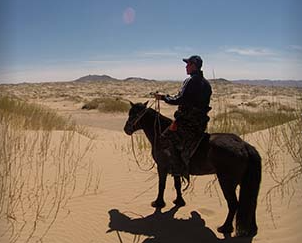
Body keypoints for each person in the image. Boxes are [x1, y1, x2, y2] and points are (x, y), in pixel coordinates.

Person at [155, 55, 212, 181]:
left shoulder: (191, 80)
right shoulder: (207, 84)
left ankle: (178, 168)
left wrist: (163, 97)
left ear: (194, 66)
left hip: (187, 122)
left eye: (188, 64)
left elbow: (180, 99)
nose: (186, 66)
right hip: (200, 123)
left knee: (165, 138)